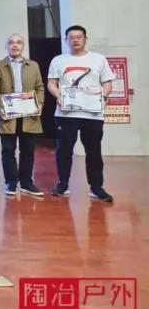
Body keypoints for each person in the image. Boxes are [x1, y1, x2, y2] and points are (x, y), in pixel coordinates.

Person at [47, 25, 115, 202]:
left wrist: (103, 96)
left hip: (92, 114)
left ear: (85, 39)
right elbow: (51, 83)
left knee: (94, 151)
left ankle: (96, 187)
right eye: (71, 37)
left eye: (79, 37)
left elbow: (107, 83)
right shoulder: (58, 60)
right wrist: (59, 96)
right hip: (66, 114)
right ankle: (62, 184)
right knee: (64, 150)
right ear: (66, 40)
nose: (75, 40)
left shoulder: (98, 59)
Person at [0, 33, 45, 197]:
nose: (15, 45)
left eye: (19, 42)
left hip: (29, 115)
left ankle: (26, 182)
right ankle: (11, 182)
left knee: (28, 150)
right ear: (6, 46)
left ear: (23, 46)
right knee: (8, 150)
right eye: (11, 42)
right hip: (8, 115)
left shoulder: (33, 65)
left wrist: (39, 104)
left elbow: (40, 87)